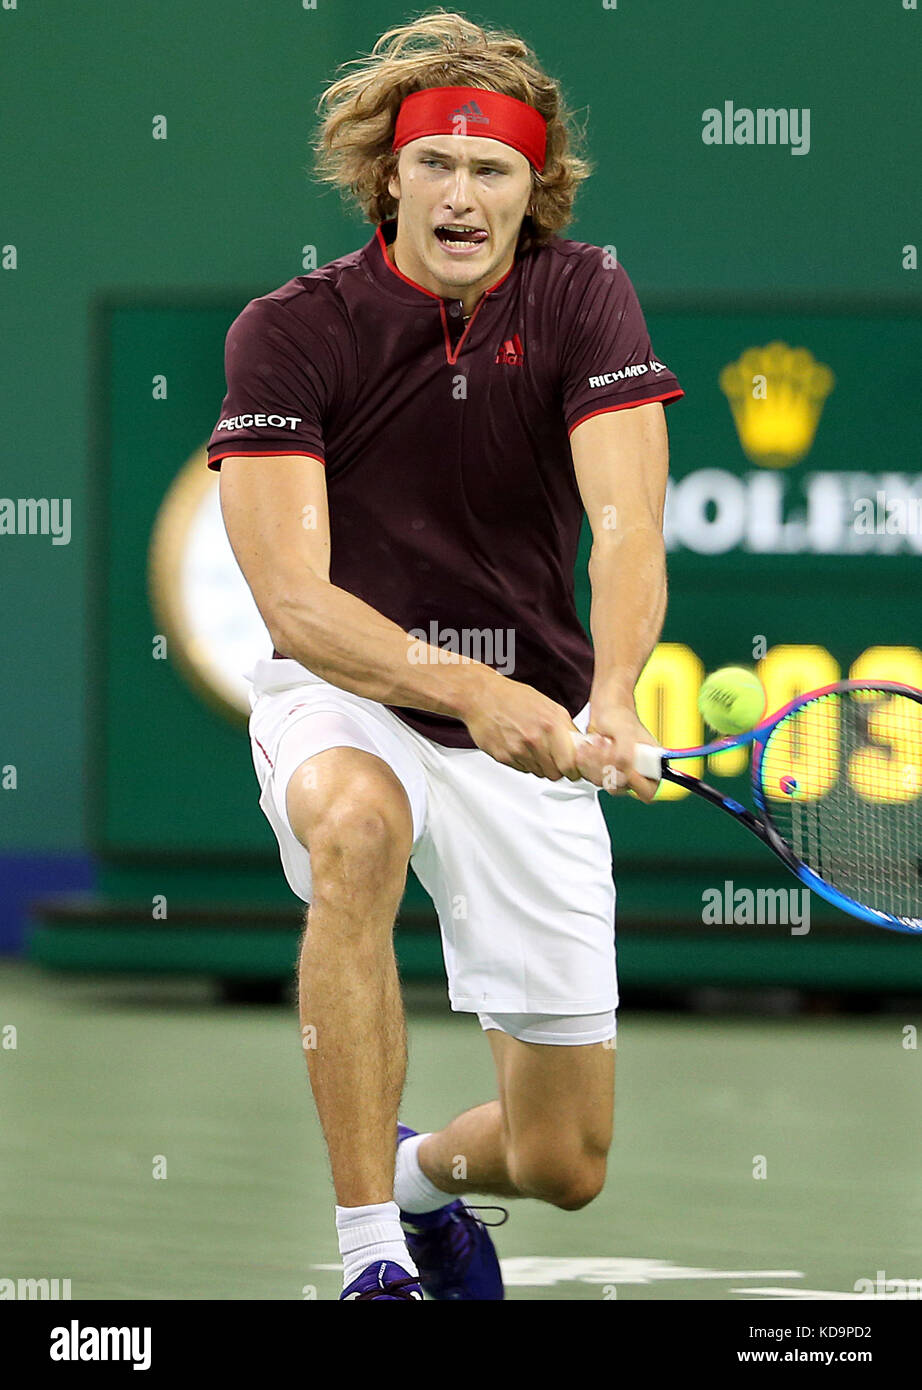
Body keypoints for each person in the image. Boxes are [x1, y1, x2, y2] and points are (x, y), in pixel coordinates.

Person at [208, 10, 683, 1301]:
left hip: (533, 722)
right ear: (388, 177)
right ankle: (372, 1252)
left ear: (534, 191)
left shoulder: (584, 293)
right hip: (348, 690)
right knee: (356, 829)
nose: (461, 192)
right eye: (437, 162)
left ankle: (423, 1183)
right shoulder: (290, 330)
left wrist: (616, 692)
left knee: (561, 1155)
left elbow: (627, 521)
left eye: (492, 170)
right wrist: (473, 688)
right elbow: (295, 602)